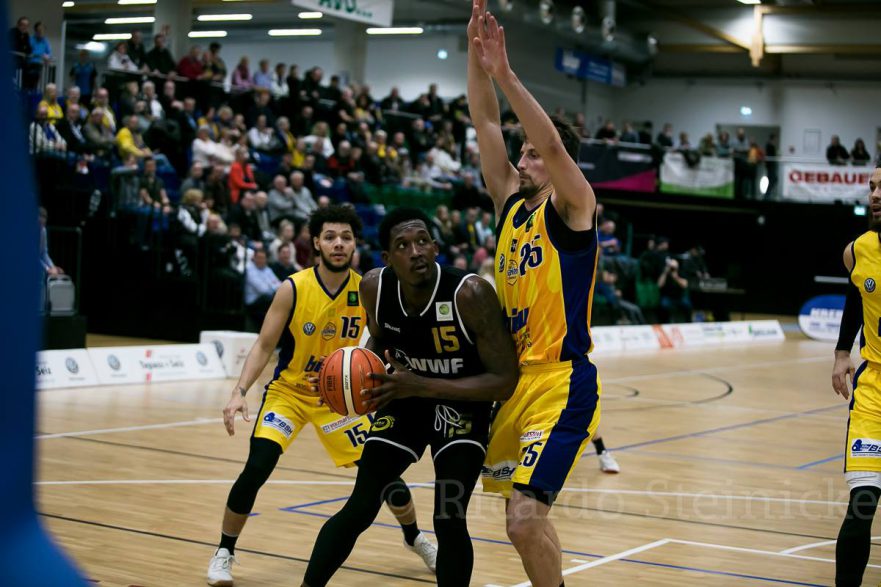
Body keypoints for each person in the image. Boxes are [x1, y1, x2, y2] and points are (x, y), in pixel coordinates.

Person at [209, 206, 436, 585]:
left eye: (345, 237)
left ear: (354, 243)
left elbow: (383, 343)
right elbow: (265, 344)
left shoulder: (368, 289)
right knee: (256, 469)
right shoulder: (293, 287)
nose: (338, 243)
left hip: (341, 401)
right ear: (316, 242)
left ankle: (415, 538)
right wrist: (239, 392)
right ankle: (224, 551)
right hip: (291, 393)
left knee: (381, 473)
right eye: (330, 236)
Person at [302, 207, 518, 586]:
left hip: (463, 408)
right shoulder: (373, 287)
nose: (415, 251)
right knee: (360, 506)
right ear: (387, 258)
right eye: (402, 245)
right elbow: (380, 340)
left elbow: (503, 381)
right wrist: (355, 382)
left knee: (448, 518)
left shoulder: (470, 293)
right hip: (405, 400)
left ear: (435, 247)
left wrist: (420, 384)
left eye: (422, 242)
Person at [468, 4, 603, 585]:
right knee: (519, 521)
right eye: (520, 154)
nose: (520, 159)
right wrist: (475, 55)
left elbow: (545, 138)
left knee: (524, 522)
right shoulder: (510, 206)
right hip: (513, 381)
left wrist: (506, 74)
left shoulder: (573, 206)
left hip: (561, 380)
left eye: (530, 155)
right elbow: (486, 126)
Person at [832, 165, 881, 587]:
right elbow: (854, 295)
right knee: (862, 504)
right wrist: (842, 352)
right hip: (873, 392)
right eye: (872, 186)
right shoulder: (858, 250)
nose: (876, 195)